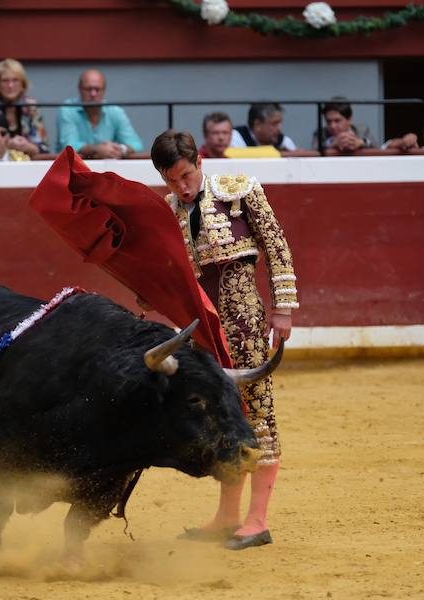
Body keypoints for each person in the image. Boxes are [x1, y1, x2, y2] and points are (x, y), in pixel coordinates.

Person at [150, 129, 299, 550]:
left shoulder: (239, 190)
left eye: (186, 175)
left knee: (258, 410)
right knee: (221, 415)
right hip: (204, 325)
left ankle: (257, 520)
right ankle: (227, 516)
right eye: (172, 180)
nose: (182, 187)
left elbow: (276, 245)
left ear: (199, 161)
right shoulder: (167, 210)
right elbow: (169, 270)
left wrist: (283, 307)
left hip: (243, 319)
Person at [56, 69, 143, 158]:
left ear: (104, 90)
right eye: (88, 89)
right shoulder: (68, 109)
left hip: (109, 165)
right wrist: (96, 149)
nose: (93, 94)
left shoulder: (115, 111)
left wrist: (120, 149)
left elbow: (136, 144)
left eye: (97, 89)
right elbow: (68, 145)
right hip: (72, 165)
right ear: (80, 89)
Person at [0, 59, 48, 158]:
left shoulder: (31, 106)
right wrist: (7, 143)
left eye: (15, 80)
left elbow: (44, 148)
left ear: (23, 84)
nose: (10, 85)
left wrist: (30, 147)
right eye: (5, 81)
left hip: (26, 163)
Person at [311, 98, 378, 152]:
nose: (332, 126)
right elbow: (314, 150)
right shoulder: (320, 133)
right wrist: (333, 143)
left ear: (349, 120)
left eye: (337, 121)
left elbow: (377, 147)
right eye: (328, 121)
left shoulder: (362, 130)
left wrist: (360, 142)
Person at [229, 103, 298, 151]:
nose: (279, 128)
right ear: (258, 124)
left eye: (280, 123)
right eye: (274, 124)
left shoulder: (283, 141)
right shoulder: (234, 137)